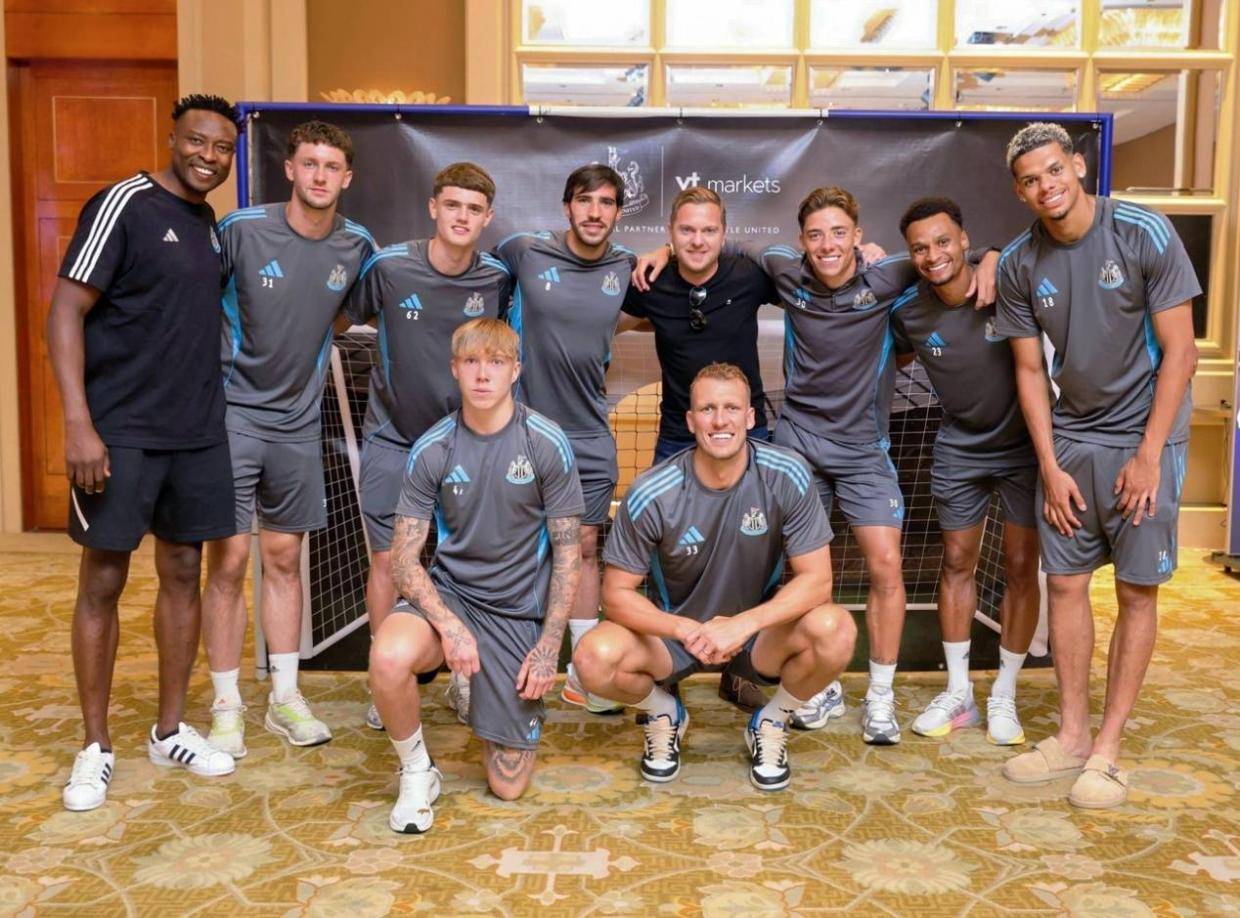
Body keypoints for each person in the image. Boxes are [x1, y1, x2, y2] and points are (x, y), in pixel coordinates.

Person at [635, 188, 999, 743]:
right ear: (801, 241)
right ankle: (817, 687)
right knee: (802, 571)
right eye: (815, 235)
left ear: (858, 236)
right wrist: (665, 249)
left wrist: (989, 257)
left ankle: (880, 695)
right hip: (799, 446)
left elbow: (951, 259)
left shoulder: (890, 274)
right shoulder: (783, 268)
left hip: (863, 450)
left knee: (886, 565)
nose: (827, 245)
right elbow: (712, 246)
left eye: (838, 233)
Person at [996, 123, 1199, 808]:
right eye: (1030, 180)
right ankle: (1073, 736)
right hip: (1073, 441)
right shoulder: (1020, 262)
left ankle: (1109, 751)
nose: (1046, 186)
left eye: (1054, 170)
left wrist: (1149, 455)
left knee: (1137, 591)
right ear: (1019, 191)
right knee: (1064, 585)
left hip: (1147, 438)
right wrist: (1049, 465)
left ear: (1078, 166)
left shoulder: (1143, 231)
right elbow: (1029, 370)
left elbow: (1180, 352)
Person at [51, 94, 242, 811]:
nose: (208, 156)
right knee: (103, 579)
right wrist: (79, 423)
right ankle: (95, 746)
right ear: (173, 138)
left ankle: (168, 730)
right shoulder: (123, 204)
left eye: (222, 148)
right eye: (197, 141)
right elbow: (65, 311)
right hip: (120, 432)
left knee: (184, 572)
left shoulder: (208, 224)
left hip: (195, 432)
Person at [573, 363, 855, 789]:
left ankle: (772, 720)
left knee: (837, 630)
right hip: (674, 637)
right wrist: (684, 629)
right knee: (592, 659)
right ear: (690, 421)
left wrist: (743, 624)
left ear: (750, 417)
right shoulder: (652, 492)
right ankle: (664, 712)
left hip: (758, 635)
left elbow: (817, 580)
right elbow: (615, 595)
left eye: (731, 408)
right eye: (707, 409)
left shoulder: (787, 474)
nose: (720, 420)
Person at [200, 121, 376, 756]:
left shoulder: (357, 244)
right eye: (310, 163)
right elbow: (193, 304)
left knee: (282, 559)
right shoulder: (240, 230)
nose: (320, 175)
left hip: (298, 425)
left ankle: (284, 697)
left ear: (346, 177)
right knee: (227, 561)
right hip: (232, 418)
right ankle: (226, 705)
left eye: (332, 166)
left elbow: (346, 312)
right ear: (291, 170)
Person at [368, 319, 582, 833]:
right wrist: (450, 626)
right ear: (455, 369)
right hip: (454, 597)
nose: (483, 374)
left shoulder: (546, 442)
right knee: (388, 656)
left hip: (516, 609)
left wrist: (548, 646)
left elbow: (569, 554)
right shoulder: (433, 447)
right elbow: (403, 560)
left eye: (496, 362)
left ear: (516, 371)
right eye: (471, 362)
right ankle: (417, 770)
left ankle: (485, 691)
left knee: (507, 784)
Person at [346, 162, 512, 731]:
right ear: (433, 208)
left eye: (474, 209)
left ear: (487, 218)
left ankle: (466, 676)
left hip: (469, 444)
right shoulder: (389, 266)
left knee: (468, 562)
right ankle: (385, 681)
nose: (462, 217)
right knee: (389, 561)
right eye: (453, 205)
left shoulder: (496, 277)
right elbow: (341, 317)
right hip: (394, 439)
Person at [493, 164, 645, 715]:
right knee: (516, 549)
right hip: (523, 431)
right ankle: (505, 665)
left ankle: (584, 674)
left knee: (582, 548)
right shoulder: (524, 250)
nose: (594, 212)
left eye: (606, 203)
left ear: (618, 212)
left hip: (589, 434)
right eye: (585, 200)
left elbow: (646, 309)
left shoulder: (627, 266)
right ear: (567, 206)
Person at [890, 197, 1041, 745]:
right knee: (956, 561)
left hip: (1025, 449)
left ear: (964, 240)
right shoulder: (909, 312)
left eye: (943, 241)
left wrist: (995, 256)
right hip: (960, 449)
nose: (933, 255)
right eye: (920, 248)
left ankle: (1005, 691)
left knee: (1021, 566)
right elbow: (889, 359)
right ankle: (960, 693)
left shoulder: (1008, 284)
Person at [620, 185, 777, 713]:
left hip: (748, 436)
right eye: (686, 230)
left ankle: (741, 671)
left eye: (709, 230)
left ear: (724, 234)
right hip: (676, 437)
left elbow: (820, 278)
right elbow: (598, 307)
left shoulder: (750, 275)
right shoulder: (650, 281)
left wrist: (865, 253)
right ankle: (667, 670)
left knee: (755, 553)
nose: (697, 240)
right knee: (664, 556)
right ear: (670, 233)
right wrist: (658, 257)